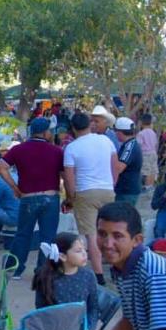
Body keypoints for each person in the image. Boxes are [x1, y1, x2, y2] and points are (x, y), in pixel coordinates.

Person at [92, 201, 166, 330]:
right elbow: (130, 323)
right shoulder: (124, 267)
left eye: (118, 236)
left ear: (137, 240)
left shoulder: (154, 275)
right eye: (102, 234)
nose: (108, 244)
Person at [0, 116, 63, 278]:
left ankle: (15, 269)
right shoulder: (56, 151)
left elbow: (0, 167)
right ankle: (42, 271)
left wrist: (14, 187)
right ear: (46, 133)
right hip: (50, 197)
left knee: (23, 234)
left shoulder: (19, 149)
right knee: (48, 236)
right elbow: (64, 175)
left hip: (28, 197)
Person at [63, 112, 117, 286]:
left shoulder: (71, 148)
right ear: (90, 124)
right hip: (107, 189)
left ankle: (99, 274)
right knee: (110, 231)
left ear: (73, 128)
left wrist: (71, 198)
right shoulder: (106, 141)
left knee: (91, 235)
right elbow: (114, 166)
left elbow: (69, 178)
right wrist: (112, 184)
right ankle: (116, 268)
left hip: (85, 193)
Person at [32, 233, 98, 330]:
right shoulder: (45, 277)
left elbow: (93, 308)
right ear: (63, 256)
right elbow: (41, 310)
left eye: (85, 250)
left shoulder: (88, 276)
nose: (84, 254)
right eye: (78, 251)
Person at [113, 117, 143, 206]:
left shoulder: (129, 147)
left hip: (127, 191)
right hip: (126, 189)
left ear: (119, 132)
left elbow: (119, 168)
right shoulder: (130, 144)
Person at [138, 114, 159, 190]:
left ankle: (146, 186)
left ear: (141, 123)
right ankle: (151, 185)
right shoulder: (153, 133)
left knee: (146, 171)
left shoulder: (141, 133)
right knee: (153, 170)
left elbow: (139, 145)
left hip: (145, 154)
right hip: (153, 153)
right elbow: (156, 144)